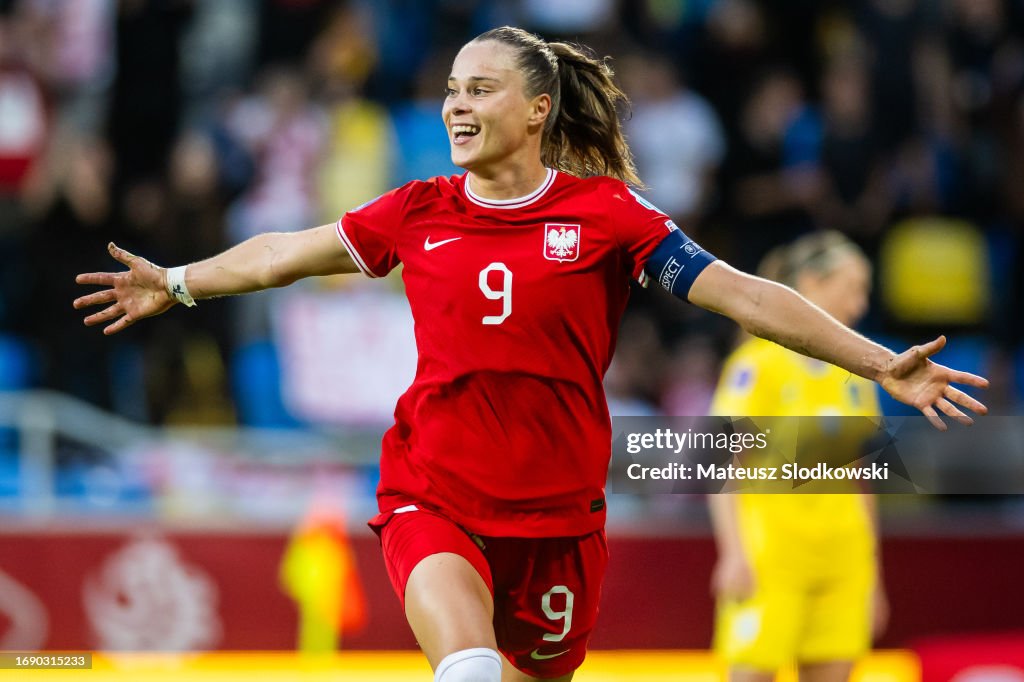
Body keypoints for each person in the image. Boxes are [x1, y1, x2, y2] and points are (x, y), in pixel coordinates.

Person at [74, 26, 987, 682]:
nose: (456, 105)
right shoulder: (418, 209)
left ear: (538, 108)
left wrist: (877, 361)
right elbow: (281, 252)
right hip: (436, 492)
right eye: (451, 90)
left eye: (481, 89)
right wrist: (180, 280)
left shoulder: (608, 219)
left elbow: (744, 294)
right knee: (467, 667)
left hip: (557, 517)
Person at [708, 232, 888, 682]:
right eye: (851, 288)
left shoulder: (860, 375)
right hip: (772, 558)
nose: (859, 304)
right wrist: (733, 553)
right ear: (810, 282)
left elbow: (858, 478)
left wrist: (874, 573)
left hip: (843, 559)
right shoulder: (758, 365)